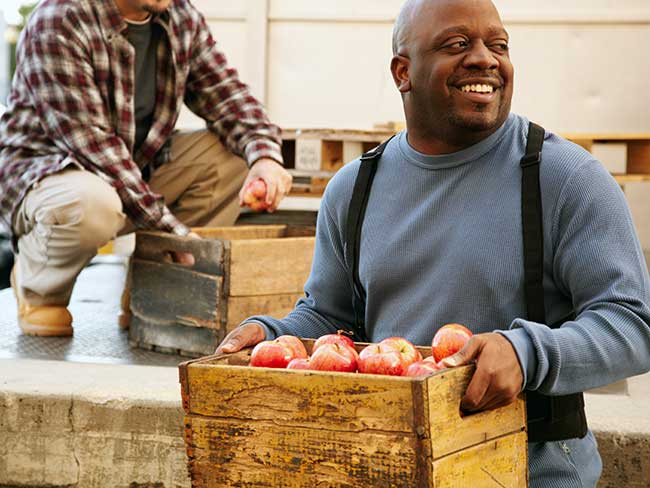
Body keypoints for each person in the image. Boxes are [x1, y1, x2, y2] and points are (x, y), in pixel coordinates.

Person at [215, 0, 650, 486]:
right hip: (387, 466)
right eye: (457, 44)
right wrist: (274, 336)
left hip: (528, 473)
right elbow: (330, 318)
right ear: (404, 72)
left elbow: (633, 324)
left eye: (498, 45)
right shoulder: (355, 189)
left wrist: (528, 353)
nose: (485, 58)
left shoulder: (566, 179)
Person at [0, 0, 292, 336]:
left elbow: (227, 97)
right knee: (92, 203)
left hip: (131, 171)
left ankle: (155, 290)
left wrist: (264, 157)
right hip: (48, 177)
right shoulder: (59, 19)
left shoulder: (179, 16)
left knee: (233, 154)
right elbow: (94, 149)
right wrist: (179, 235)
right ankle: (39, 286)